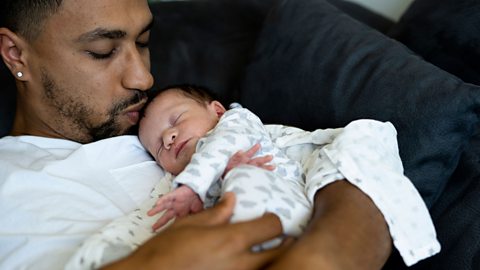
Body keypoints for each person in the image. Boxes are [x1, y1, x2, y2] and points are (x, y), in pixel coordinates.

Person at [0, 0, 438, 269]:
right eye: (102, 51)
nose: (143, 77)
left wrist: (324, 256)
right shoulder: (12, 187)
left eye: (145, 41)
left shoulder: (182, 122)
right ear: (16, 53)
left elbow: (351, 155)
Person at [138, 85, 311, 237]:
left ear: (218, 111)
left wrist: (192, 185)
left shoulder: (236, 121)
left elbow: (222, 146)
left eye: (176, 120)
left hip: (284, 203)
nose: (168, 138)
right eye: (159, 147)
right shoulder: (178, 182)